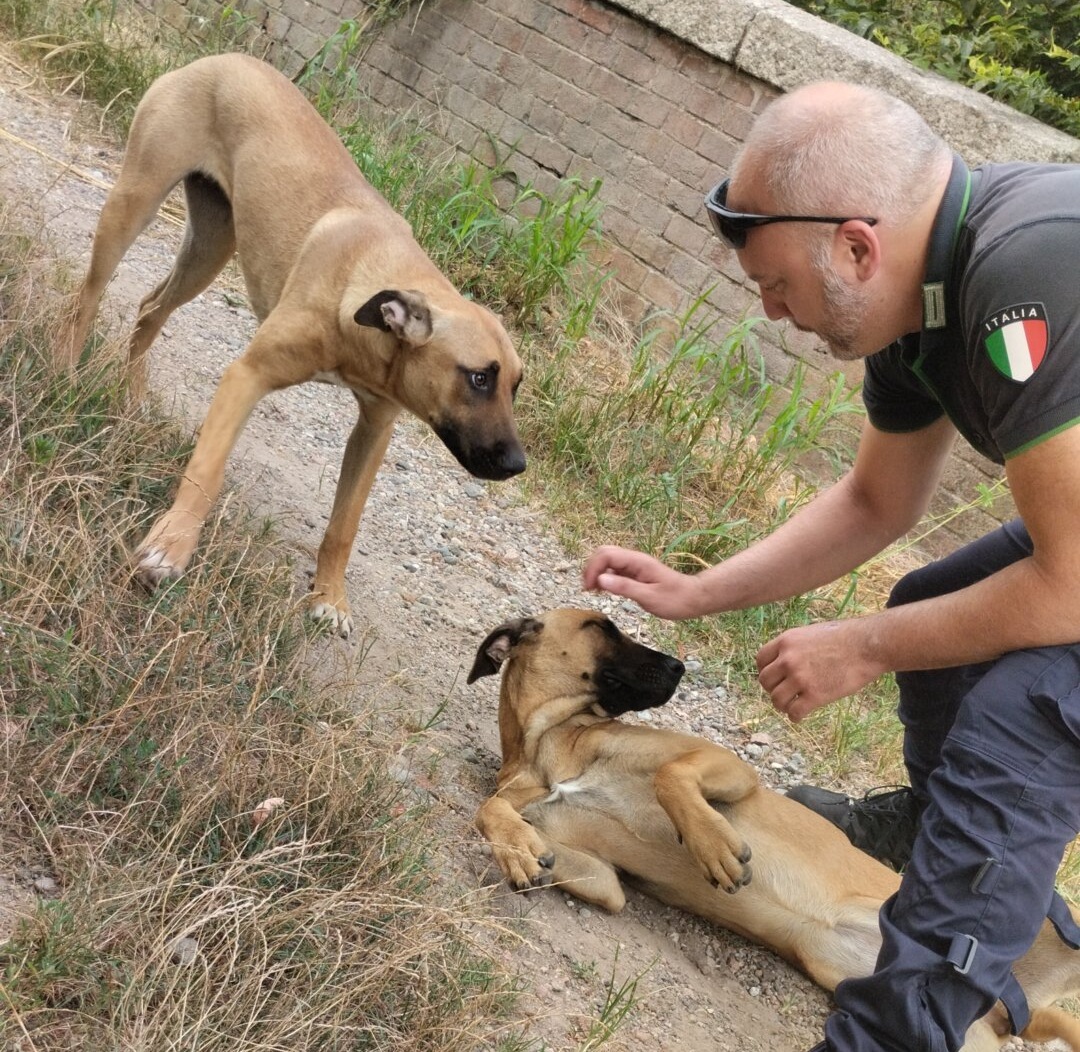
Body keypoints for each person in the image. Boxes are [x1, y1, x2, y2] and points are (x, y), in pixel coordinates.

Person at [582, 80, 1080, 1052]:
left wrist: (864, 646)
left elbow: (1071, 585)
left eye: (778, 284)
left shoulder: (1031, 273)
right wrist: (694, 590)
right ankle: (952, 851)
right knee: (936, 608)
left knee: (1021, 715)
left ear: (857, 246)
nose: (771, 311)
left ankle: (896, 1031)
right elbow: (874, 503)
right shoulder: (921, 302)